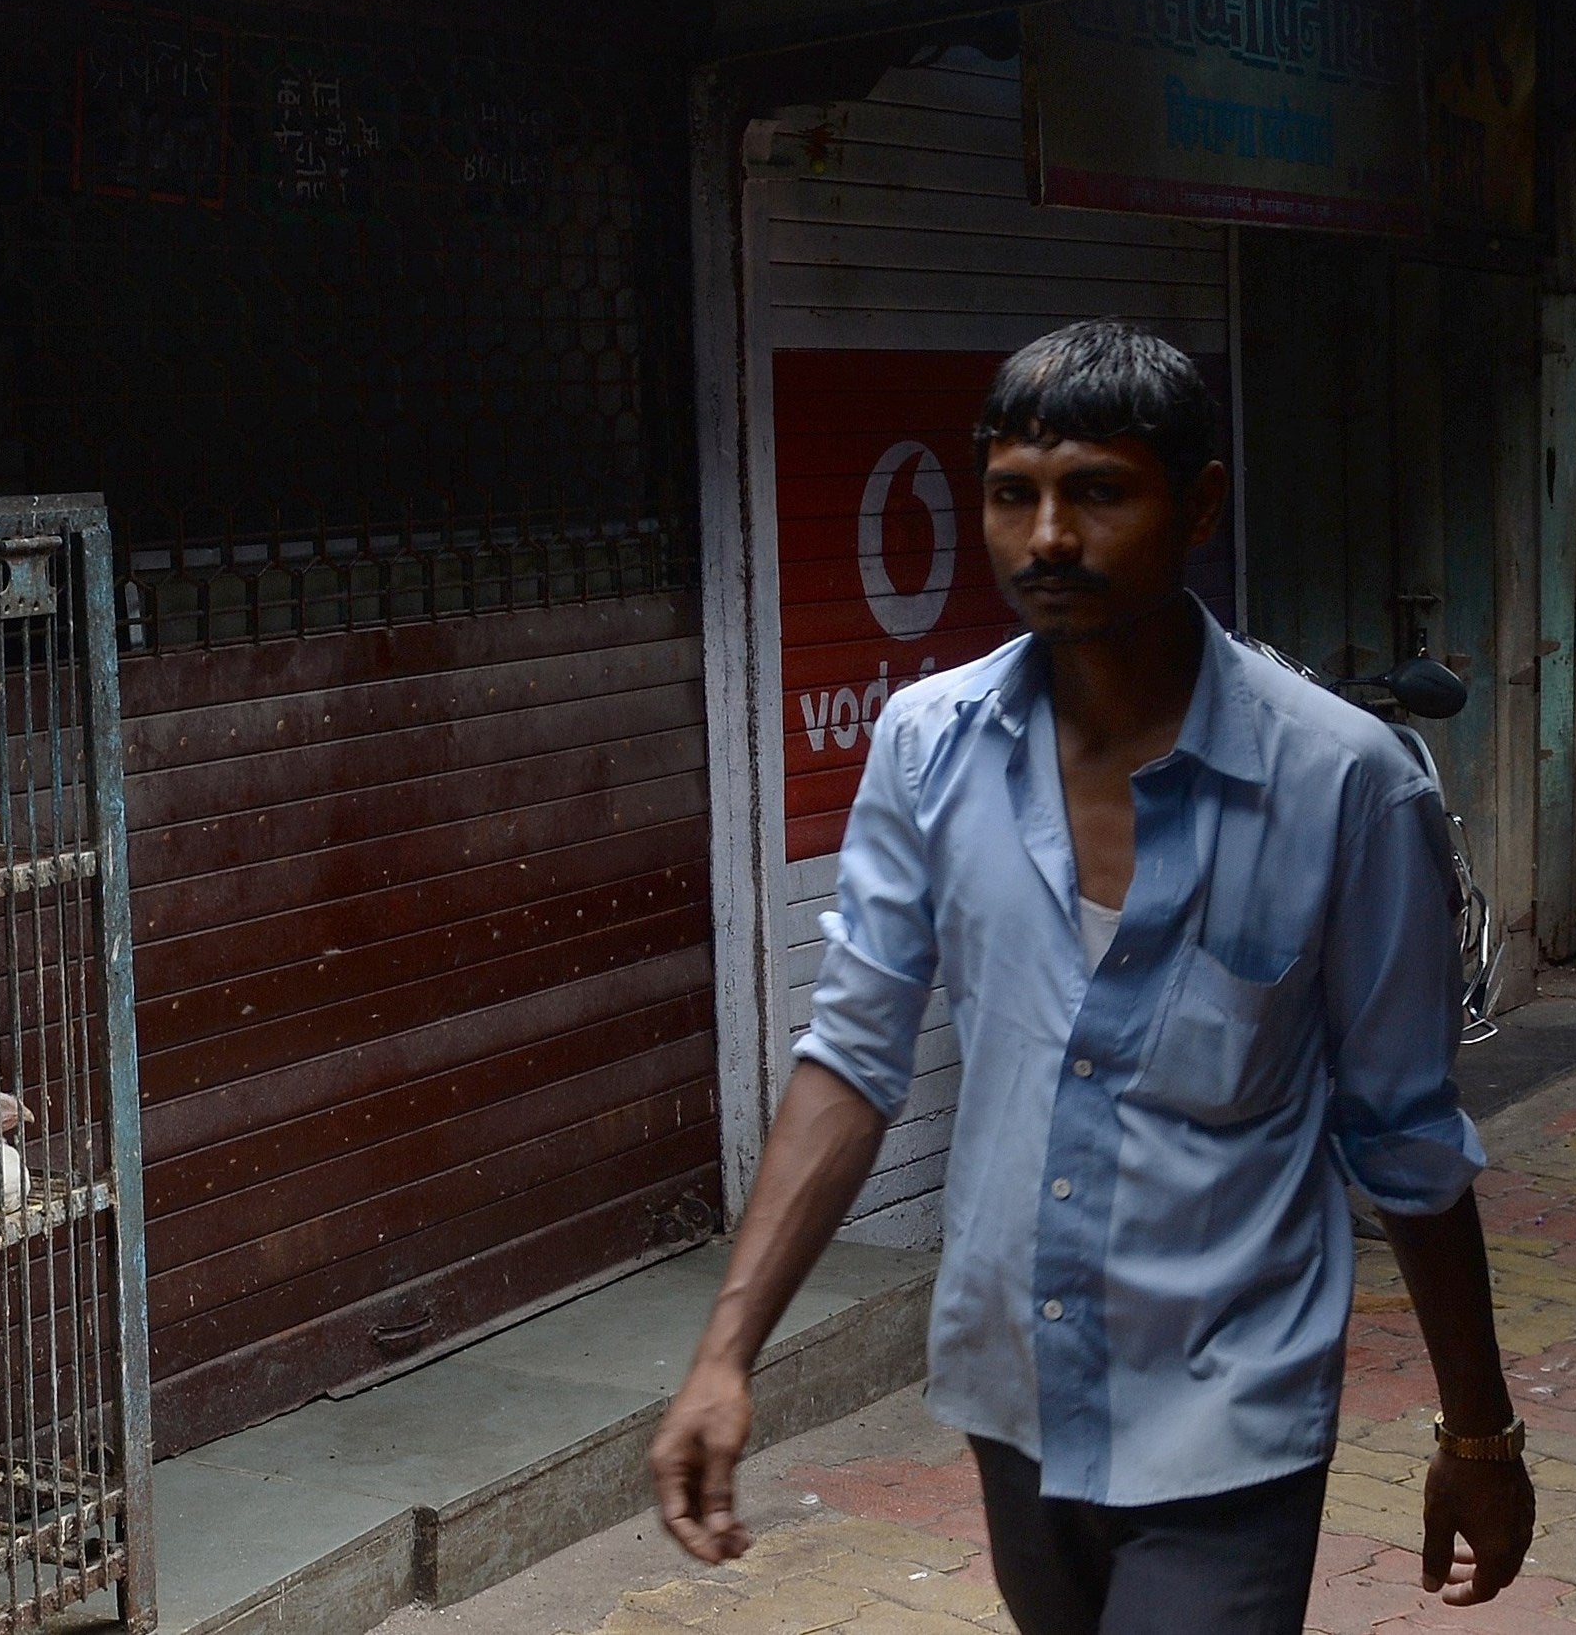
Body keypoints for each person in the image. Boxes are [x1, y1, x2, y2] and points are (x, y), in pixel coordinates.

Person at [646, 322, 1530, 1628]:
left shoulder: (1343, 782)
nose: (1045, 539)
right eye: (1014, 496)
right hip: (1016, 1385)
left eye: (1096, 493)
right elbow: (851, 1057)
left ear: (1199, 504)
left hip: (1231, 1403)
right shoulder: (925, 746)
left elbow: (1400, 1132)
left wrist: (1477, 1436)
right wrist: (725, 1355)